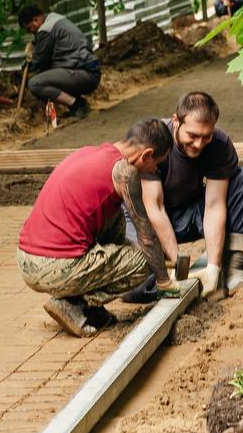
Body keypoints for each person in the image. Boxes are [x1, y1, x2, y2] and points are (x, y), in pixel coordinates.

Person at [18, 118, 181, 337]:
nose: (154, 169)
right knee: (145, 260)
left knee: (116, 216)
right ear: (146, 155)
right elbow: (147, 236)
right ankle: (74, 304)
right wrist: (164, 280)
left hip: (26, 257)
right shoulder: (126, 174)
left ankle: (90, 309)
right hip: (50, 266)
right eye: (156, 164)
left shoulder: (89, 152)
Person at [123, 91, 243, 301]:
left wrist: (213, 267)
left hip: (187, 213)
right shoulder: (156, 140)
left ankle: (232, 273)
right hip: (145, 220)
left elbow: (214, 206)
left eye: (206, 136)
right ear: (176, 121)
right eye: (193, 135)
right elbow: (155, 209)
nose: (199, 143)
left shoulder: (220, 145)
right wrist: (177, 262)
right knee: (136, 288)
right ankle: (161, 284)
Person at [18, 4, 100, 120]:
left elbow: (39, 62)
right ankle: (77, 103)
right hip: (87, 71)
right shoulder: (54, 19)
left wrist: (31, 57)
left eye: (29, 28)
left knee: (35, 84)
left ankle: (78, 105)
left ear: (35, 20)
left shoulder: (46, 29)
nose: (31, 33)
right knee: (48, 74)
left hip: (85, 73)